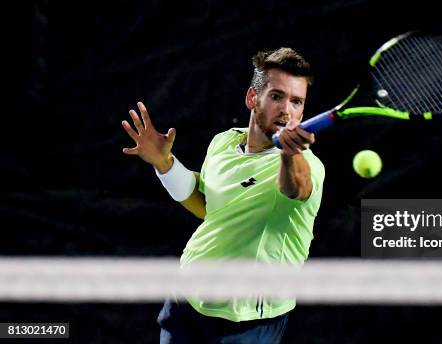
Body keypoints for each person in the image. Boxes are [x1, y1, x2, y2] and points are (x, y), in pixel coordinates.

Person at [121, 47, 325, 343]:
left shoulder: (308, 167)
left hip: (247, 323)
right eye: (277, 96)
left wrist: (290, 153)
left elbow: (296, 188)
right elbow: (209, 207)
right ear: (252, 98)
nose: (287, 110)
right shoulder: (224, 142)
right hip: (186, 302)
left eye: (297, 102)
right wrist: (165, 164)